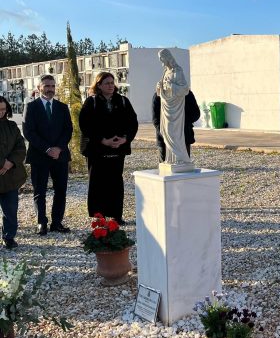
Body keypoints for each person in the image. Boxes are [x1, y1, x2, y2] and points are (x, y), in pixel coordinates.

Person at [79, 72, 138, 224]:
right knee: (97, 182)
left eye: (112, 82)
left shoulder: (123, 101)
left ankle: (116, 215)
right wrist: (103, 140)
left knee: (115, 182)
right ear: (98, 85)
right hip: (97, 149)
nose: (111, 85)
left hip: (118, 148)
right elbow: (85, 125)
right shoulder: (91, 102)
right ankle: (99, 216)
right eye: (107, 83)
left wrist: (125, 139)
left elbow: (132, 123)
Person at [22, 74, 73, 235]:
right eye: (46, 86)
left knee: (60, 190)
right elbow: (28, 132)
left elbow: (68, 130)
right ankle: (41, 223)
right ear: (39, 88)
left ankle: (57, 222)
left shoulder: (62, 107)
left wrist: (58, 148)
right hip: (39, 156)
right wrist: (47, 149)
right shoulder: (31, 107)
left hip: (60, 156)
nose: (50, 89)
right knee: (40, 191)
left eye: (52, 86)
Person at [152, 52, 200, 162]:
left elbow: (184, 89)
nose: (162, 62)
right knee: (166, 161)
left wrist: (183, 121)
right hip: (166, 122)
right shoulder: (165, 73)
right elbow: (155, 118)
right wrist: (160, 88)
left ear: (168, 58)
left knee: (181, 160)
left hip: (180, 126)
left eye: (162, 59)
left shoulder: (177, 71)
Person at [0, 97, 27, 248]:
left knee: (10, 209)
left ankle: (9, 236)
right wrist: (1, 162)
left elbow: (21, 147)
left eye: (3, 109)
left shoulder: (12, 126)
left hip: (11, 176)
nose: (1, 112)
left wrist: (10, 162)